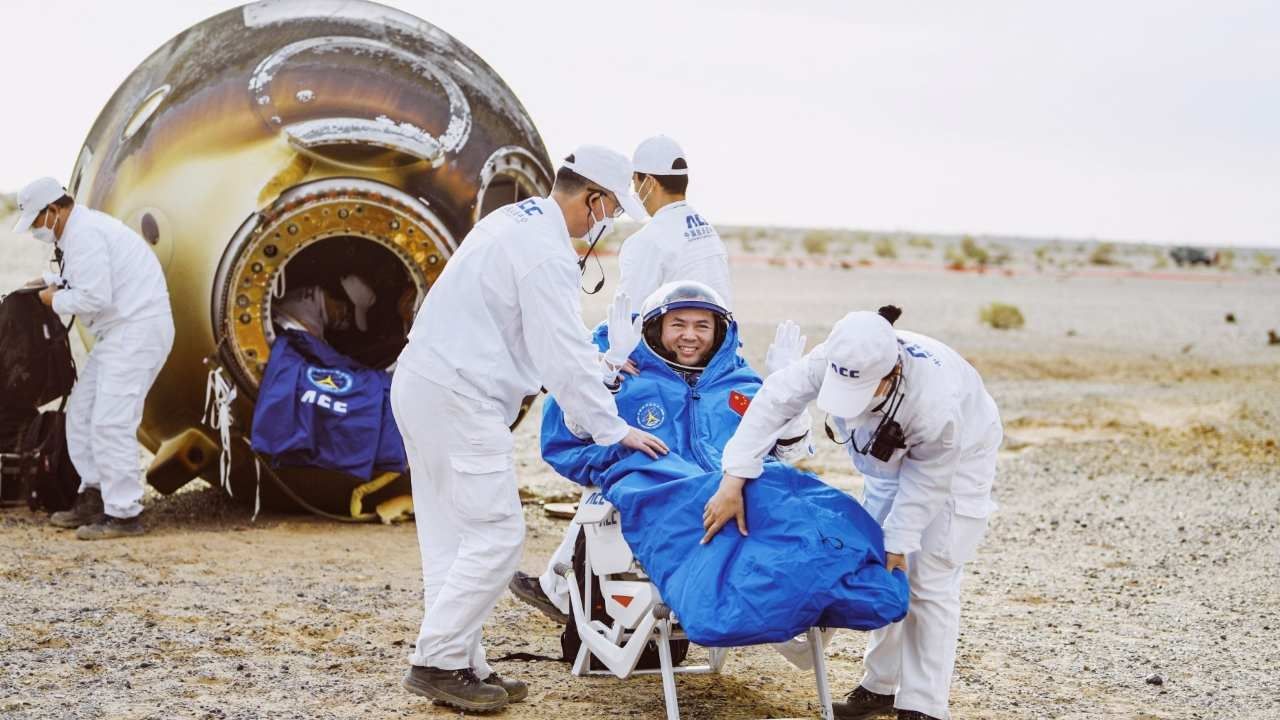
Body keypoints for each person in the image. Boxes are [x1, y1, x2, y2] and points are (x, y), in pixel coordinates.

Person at [390, 146, 668, 713]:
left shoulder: (510, 221)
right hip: (462, 398)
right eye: (609, 208)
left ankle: (464, 663)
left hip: (424, 383)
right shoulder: (545, 254)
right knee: (496, 534)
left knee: (453, 536)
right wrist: (613, 430)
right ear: (591, 198)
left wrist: (601, 368)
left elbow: (539, 338)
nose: (607, 222)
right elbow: (559, 354)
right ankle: (438, 661)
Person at [707, 306, 1003, 720]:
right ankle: (879, 687)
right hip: (885, 461)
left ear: (890, 375)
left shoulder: (936, 402)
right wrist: (734, 476)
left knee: (929, 576)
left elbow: (928, 480)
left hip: (956, 466)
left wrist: (901, 539)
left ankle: (924, 705)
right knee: (879, 565)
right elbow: (774, 401)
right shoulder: (837, 353)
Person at [508, 281, 812, 623]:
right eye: (678, 325)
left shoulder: (739, 384)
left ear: (719, 331)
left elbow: (788, 452)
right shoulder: (631, 378)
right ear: (656, 328)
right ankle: (565, 592)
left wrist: (788, 393)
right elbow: (578, 430)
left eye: (702, 326)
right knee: (609, 491)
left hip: (729, 506)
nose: (690, 336)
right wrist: (607, 369)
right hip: (659, 505)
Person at [11, 177, 173, 540]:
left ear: (53, 211)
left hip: (136, 330)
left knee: (112, 420)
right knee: (83, 410)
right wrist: (47, 279)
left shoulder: (84, 235)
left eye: (37, 222)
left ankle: (124, 513)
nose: (37, 230)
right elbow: (83, 277)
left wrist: (53, 300)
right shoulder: (80, 231)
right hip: (121, 332)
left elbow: (94, 297)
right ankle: (94, 494)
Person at [616, 136, 733, 309]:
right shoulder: (707, 230)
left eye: (635, 182)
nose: (635, 191)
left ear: (649, 182)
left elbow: (627, 315)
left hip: (681, 334)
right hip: (717, 332)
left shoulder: (646, 240)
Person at [271, 274, 376, 343]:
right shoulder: (311, 330)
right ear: (340, 303)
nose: (346, 323)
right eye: (348, 314)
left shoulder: (305, 296)